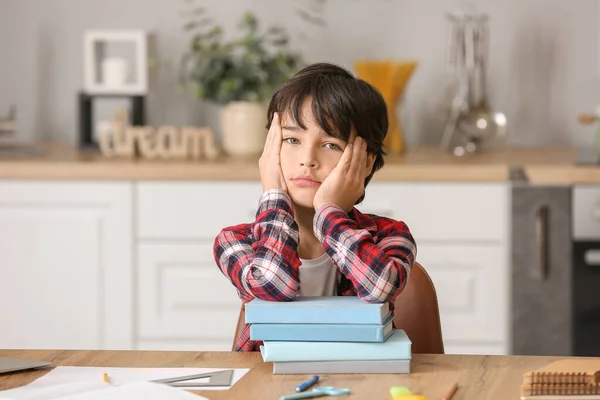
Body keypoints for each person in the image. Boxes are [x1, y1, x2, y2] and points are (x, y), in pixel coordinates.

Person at [213, 62, 417, 351]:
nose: (307, 158)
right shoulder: (236, 241)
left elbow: (380, 287)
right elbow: (273, 284)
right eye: (292, 139)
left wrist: (329, 211)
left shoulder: (389, 235)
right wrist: (274, 194)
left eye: (331, 144)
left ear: (366, 160)